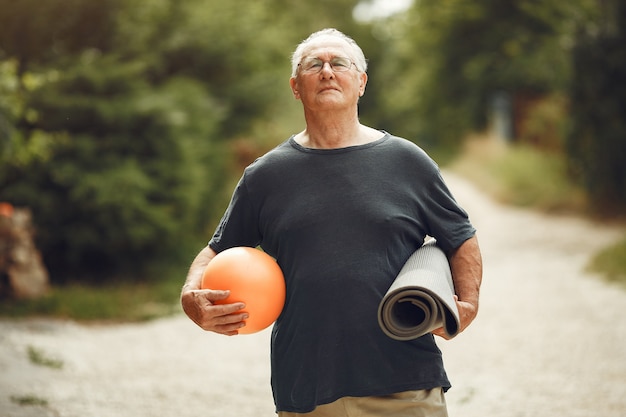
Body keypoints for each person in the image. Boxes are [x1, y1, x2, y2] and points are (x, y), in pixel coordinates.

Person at [181, 28, 483, 417]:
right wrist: (192, 294)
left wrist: (468, 303)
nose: (327, 71)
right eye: (313, 65)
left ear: (361, 82)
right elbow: (216, 250)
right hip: (307, 386)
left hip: (404, 382)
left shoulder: (407, 161)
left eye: (339, 63)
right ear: (295, 86)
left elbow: (460, 238)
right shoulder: (265, 175)